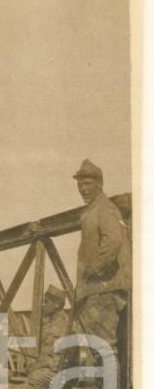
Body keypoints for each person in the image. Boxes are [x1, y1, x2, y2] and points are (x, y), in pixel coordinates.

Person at [72, 159, 131, 375]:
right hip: (95, 289)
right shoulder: (91, 211)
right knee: (97, 341)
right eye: (80, 185)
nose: (83, 189)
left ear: (99, 184)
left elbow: (113, 241)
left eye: (87, 184)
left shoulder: (105, 209)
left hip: (105, 287)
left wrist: (95, 268)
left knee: (104, 343)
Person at [25, 285, 69, 388]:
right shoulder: (47, 324)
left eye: (46, 302)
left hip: (62, 373)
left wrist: (40, 364)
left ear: (57, 304)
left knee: (34, 378)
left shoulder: (66, 325)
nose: (43, 305)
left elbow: (61, 362)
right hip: (46, 370)